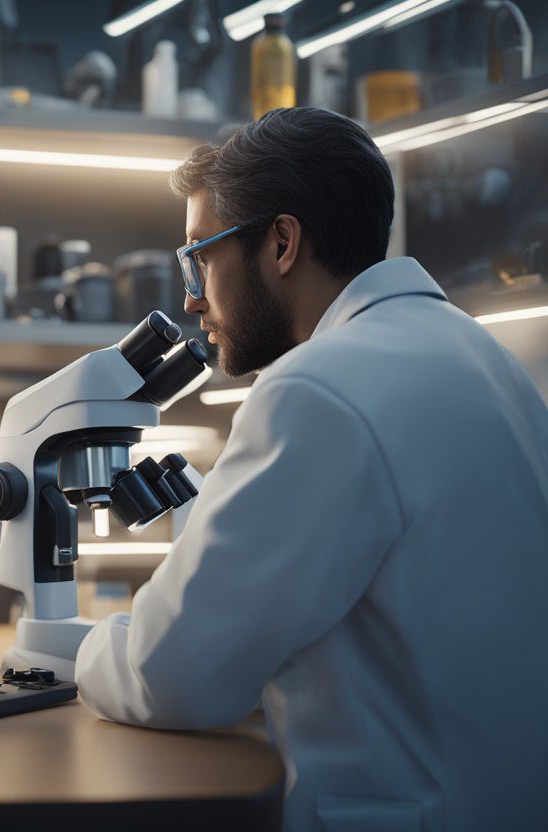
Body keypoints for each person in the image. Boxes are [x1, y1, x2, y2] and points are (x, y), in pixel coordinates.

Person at [74, 107, 548, 831]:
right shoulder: (484, 359)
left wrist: (76, 654)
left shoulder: (316, 389)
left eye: (200, 255)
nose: (193, 296)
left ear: (283, 242)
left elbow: (176, 676)